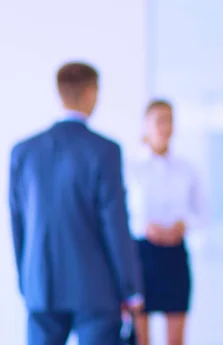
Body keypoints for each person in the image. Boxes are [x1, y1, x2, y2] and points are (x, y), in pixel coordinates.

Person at [9, 62, 144, 345]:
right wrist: (130, 288)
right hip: (96, 288)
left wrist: (26, 280)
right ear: (91, 92)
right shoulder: (105, 150)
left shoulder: (23, 152)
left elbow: (17, 222)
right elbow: (115, 224)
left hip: (40, 284)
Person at [125, 99, 204, 345]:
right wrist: (145, 227)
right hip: (141, 256)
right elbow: (119, 216)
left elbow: (201, 213)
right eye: (159, 120)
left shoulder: (186, 168)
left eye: (169, 120)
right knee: (141, 338)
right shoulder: (130, 168)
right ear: (145, 125)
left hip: (175, 255)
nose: (165, 126)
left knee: (176, 339)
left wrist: (183, 225)